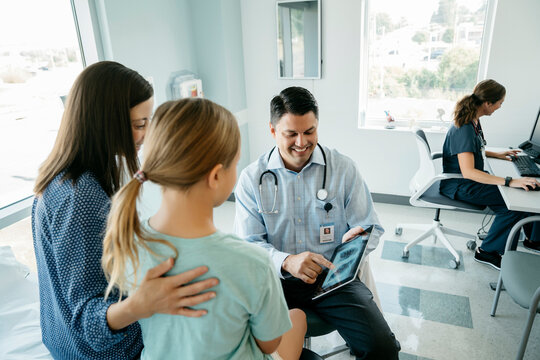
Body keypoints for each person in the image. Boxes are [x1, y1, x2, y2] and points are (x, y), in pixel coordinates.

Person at [32, 61, 218, 359]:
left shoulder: (63, 179)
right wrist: (141, 303)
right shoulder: (79, 199)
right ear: (106, 122)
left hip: (64, 342)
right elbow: (88, 322)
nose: (145, 135)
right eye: (139, 124)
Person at [102, 97, 307, 360]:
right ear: (216, 176)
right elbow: (268, 344)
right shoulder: (252, 263)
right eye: (235, 163)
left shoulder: (126, 242)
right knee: (297, 318)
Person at [234, 86, 400, 359]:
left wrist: (358, 241)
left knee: (382, 348)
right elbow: (247, 245)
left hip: (332, 279)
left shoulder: (343, 169)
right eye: (291, 134)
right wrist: (287, 261)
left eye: (309, 131)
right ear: (273, 131)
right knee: (273, 353)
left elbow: (371, 227)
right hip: (274, 282)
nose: (302, 142)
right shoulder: (253, 179)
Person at [439, 79, 540, 270]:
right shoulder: (464, 127)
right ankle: (487, 252)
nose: (500, 107)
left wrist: (496, 154)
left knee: (524, 190)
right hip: (461, 184)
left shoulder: (473, 120)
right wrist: (510, 181)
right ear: (488, 103)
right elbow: (469, 171)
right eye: (500, 103)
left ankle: (533, 239)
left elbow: (473, 150)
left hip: (467, 179)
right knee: (514, 204)